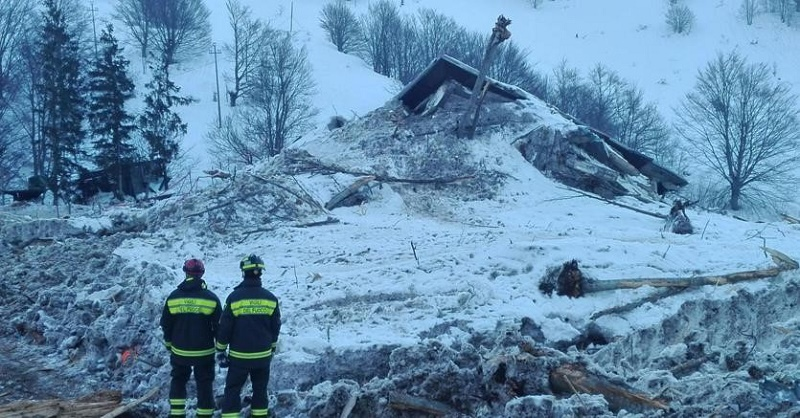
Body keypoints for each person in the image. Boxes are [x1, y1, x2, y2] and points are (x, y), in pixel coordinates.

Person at [216, 254, 282, 418]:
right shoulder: (270, 299)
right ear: (260, 273)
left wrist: (220, 350)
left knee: (232, 390)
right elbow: (276, 327)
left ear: (243, 273)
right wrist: (272, 348)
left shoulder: (234, 298)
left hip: (239, 357)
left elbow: (225, 327)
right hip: (263, 356)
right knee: (260, 391)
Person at [160, 258, 223, 418]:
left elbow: (166, 324)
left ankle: (176, 414)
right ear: (201, 274)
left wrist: (169, 345)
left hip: (179, 352)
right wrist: (221, 348)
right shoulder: (211, 298)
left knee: (178, 380)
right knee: (204, 384)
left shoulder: (173, 297)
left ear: (185, 272)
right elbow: (219, 327)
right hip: (204, 353)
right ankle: (204, 415)